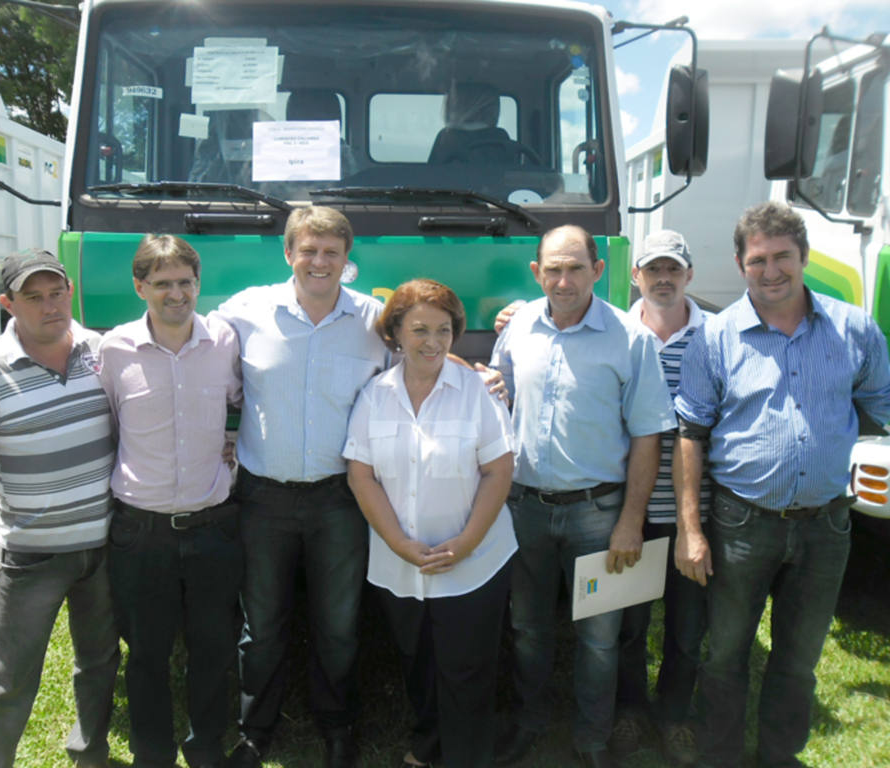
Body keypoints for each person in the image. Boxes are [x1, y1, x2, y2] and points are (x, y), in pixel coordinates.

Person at [674, 202, 890, 768]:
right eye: (757, 260)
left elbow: (878, 404)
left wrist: (824, 440)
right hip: (742, 523)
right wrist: (690, 531)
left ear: (804, 258)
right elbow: (690, 435)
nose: (770, 270)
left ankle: (779, 755)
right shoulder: (716, 338)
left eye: (782, 257)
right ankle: (721, 756)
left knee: (799, 659)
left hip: (826, 525)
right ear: (739, 263)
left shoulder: (855, 329)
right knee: (725, 652)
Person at [490, 225, 676, 768]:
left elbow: (649, 435)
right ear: (537, 272)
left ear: (598, 271)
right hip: (523, 508)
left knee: (599, 638)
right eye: (553, 269)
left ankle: (592, 737)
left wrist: (630, 523)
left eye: (575, 268)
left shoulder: (630, 338)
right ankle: (530, 721)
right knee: (527, 628)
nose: (563, 280)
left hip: (600, 514)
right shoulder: (520, 326)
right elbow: (498, 391)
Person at [216, 207, 389, 768]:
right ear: (288, 253)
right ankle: (254, 730)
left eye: (331, 252)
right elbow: (191, 351)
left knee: (338, 625)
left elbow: (425, 350)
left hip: (341, 499)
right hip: (262, 497)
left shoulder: (374, 320)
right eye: (309, 250)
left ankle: (336, 725)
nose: (320, 262)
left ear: (347, 259)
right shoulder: (245, 312)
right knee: (261, 626)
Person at [0, 249, 120, 768]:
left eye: (57, 293)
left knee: (101, 663)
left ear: (70, 292)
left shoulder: (100, 350)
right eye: (33, 298)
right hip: (32, 556)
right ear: (8, 304)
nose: (50, 307)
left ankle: (90, 754)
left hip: (104, 546)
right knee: (11, 679)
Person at [344, 279, 516, 768]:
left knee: (466, 669)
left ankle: (466, 755)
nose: (433, 342)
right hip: (400, 566)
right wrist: (398, 542)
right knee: (417, 664)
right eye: (419, 329)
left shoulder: (476, 392)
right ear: (395, 332)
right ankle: (427, 745)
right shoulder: (375, 395)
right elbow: (362, 476)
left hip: (474, 560)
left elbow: (498, 471)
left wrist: (465, 543)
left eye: (444, 330)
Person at [97, 235, 243, 768]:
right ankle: (152, 754)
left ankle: (206, 748)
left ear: (198, 284)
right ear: (140, 287)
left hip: (213, 527)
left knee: (211, 650)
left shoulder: (225, 340)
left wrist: (234, 442)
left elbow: (250, 400)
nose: (176, 294)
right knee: (148, 655)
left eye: (185, 282)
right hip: (142, 531)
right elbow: (108, 423)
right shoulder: (112, 350)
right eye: (162, 284)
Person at [611, 231, 712, 766]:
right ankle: (628, 709)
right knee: (627, 622)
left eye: (674, 269)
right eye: (654, 270)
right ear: (636, 277)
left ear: (690, 276)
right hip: (628, 510)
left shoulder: (718, 337)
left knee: (688, 626)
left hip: (694, 512)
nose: (664, 279)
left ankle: (673, 714)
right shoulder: (613, 332)